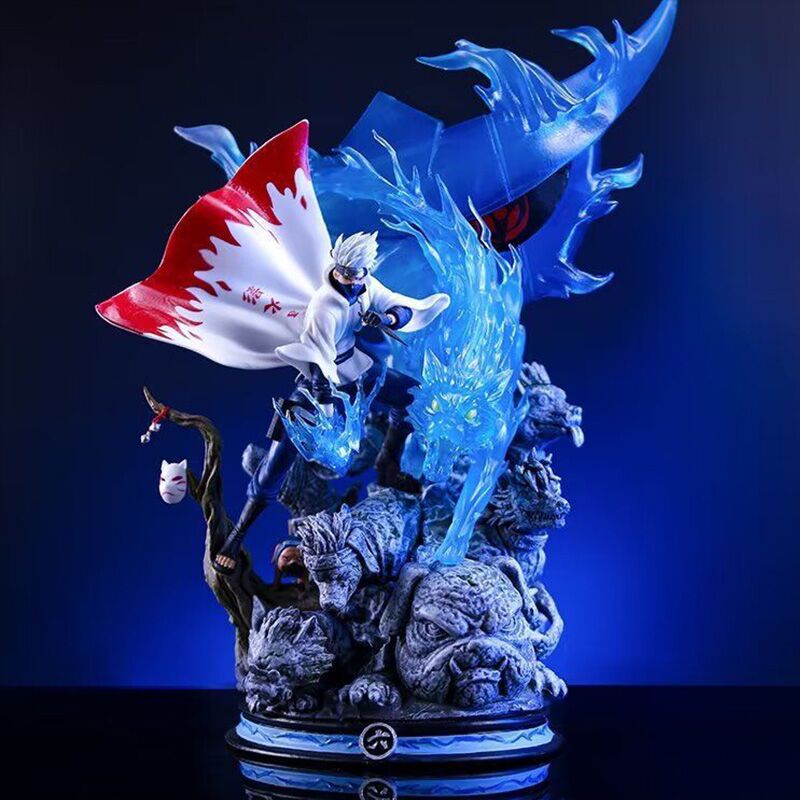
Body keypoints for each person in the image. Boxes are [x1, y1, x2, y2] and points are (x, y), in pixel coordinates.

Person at [213, 231, 449, 574]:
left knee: (413, 396)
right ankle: (237, 535)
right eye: (344, 273)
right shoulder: (325, 305)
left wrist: (386, 319)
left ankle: (388, 460)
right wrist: (326, 410)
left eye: (355, 274)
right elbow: (318, 359)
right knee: (279, 460)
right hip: (320, 383)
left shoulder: (365, 285)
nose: (349, 280)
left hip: (356, 369)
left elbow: (394, 305)